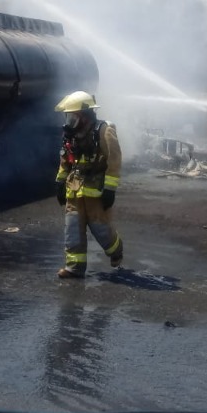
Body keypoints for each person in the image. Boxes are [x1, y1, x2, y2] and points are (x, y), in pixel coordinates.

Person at [53, 91, 124, 279]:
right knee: (73, 228)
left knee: (101, 230)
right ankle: (74, 268)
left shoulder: (103, 131)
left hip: (96, 191)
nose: (68, 121)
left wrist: (110, 188)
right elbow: (65, 160)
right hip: (75, 189)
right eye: (67, 116)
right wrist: (60, 181)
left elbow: (114, 160)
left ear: (83, 116)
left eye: (72, 116)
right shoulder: (71, 135)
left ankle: (116, 251)